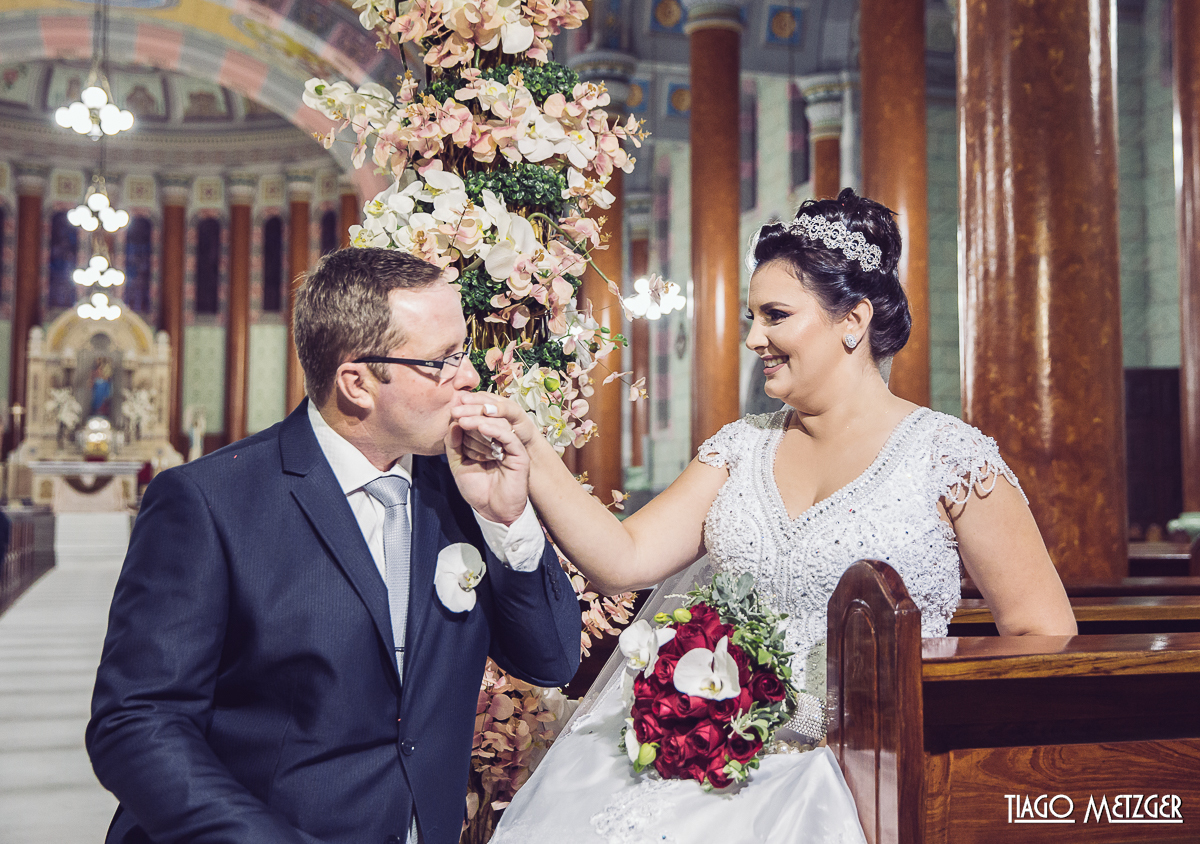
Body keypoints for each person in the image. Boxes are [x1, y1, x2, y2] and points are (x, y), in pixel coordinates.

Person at [455, 189, 1078, 843]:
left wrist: (909, 693)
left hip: (866, 777)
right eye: (753, 317)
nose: (754, 339)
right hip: (715, 764)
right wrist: (530, 450)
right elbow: (623, 558)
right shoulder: (738, 448)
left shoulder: (948, 458)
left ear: (853, 320)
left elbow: (1043, 635)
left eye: (775, 315)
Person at [86, 247, 581, 844]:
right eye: (442, 361)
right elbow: (137, 724)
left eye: (465, 351)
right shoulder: (208, 502)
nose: (470, 376)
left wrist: (509, 520)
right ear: (357, 382)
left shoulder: (464, 487)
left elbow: (552, 661)